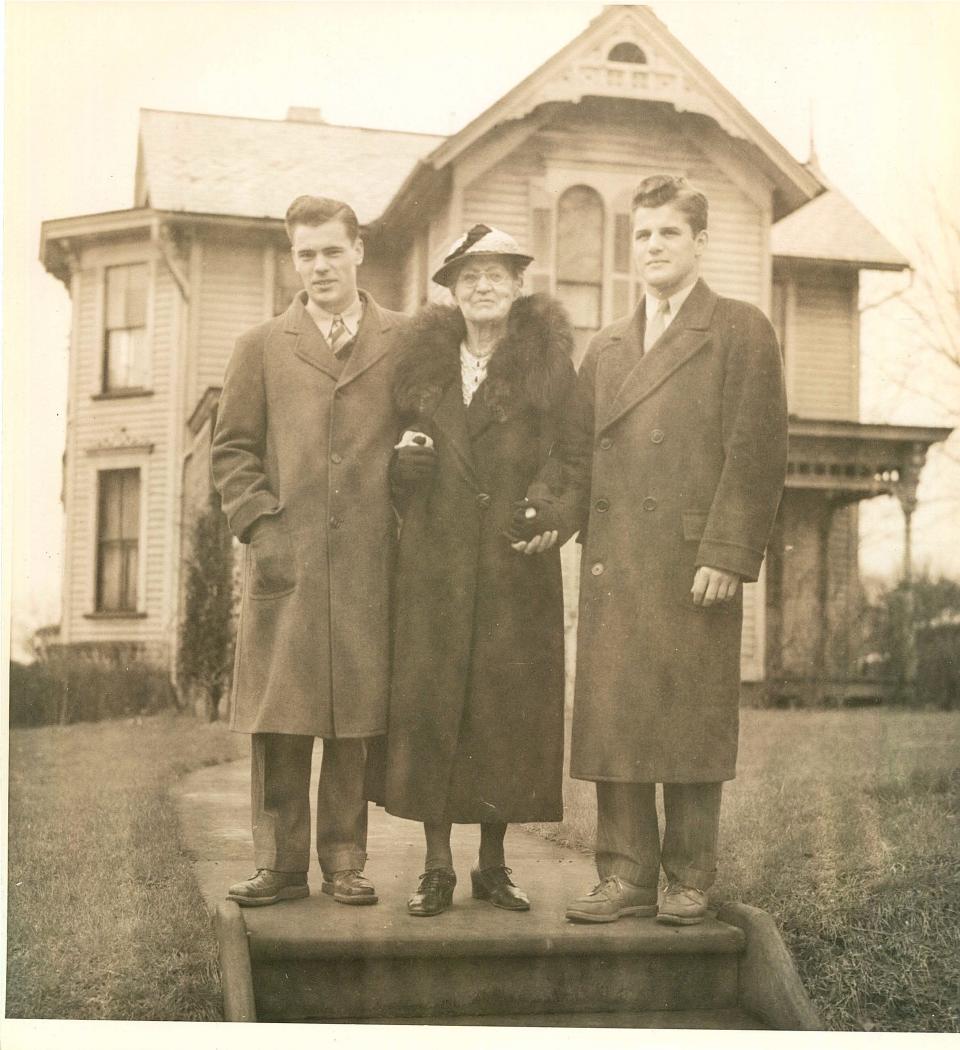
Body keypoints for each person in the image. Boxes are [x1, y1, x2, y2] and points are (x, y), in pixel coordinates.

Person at [554, 175, 789, 925]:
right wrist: (546, 519)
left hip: (695, 566)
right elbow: (574, 459)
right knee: (618, 717)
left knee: (688, 717)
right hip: (618, 562)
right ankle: (625, 875)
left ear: (700, 243)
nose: (653, 246)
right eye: (643, 235)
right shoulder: (610, 346)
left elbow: (755, 453)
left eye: (668, 233)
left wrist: (726, 550)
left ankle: (689, 876)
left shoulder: (740, 330)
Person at [211, 195, 406, 907]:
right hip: (285, 563)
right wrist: (261, 527)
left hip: (366, 565)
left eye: (331, 250)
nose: (319, 265)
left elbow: (424, 439)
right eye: (306, 253)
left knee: (351, 721)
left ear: (359, 250)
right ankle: (280, 866)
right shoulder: (260, 346)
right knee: (281, 720)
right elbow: (231, 450)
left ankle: (346, 862)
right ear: (294, 260)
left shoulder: (403, 339)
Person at [382, 225, 577, 917]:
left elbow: (574, 458)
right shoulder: (420, 371)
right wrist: (402, 467)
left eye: (497, 274)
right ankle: (436, 866)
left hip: (513, 567)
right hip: (435, 567)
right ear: (452, 291)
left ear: (519, 285)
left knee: (504, 711)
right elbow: (389, 463)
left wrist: (548, 510)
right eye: (470, 276)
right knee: (435, 709)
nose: (484, 285)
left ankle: (494, 864)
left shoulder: (548, 367)